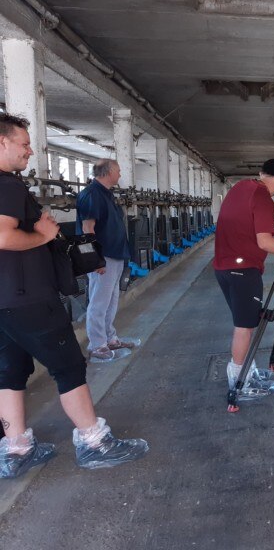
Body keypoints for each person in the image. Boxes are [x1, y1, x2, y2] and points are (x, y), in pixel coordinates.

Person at [0, 114, 148, 478]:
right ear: (2, 143)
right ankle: (95, 442)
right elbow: (3, 237)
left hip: (5, 300)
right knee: (68, 366)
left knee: (10, 371)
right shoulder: (8, 186)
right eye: (23, 143)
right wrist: (45, 237)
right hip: (28, 296)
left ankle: (17, 448)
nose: (30, 150)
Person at [214, 159, 274, 396]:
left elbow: (246, 220)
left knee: (245, 323)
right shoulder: (262, 198)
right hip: (243, 270)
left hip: (224, 267)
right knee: (244, 327)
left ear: (261, 174)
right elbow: (264, 241)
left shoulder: (241, 187)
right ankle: (239, 382)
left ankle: (247, 371)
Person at [76, 159, 134, 363]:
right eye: (118, 171)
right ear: (108, 172)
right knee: (99, 301)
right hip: (103, 258)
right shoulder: (92, 195)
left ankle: (110, 338)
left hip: (115, 254)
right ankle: (97, 345)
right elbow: (87, 229)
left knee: (111, 300)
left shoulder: (106, 194)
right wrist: (95, 260)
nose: (119, 174)